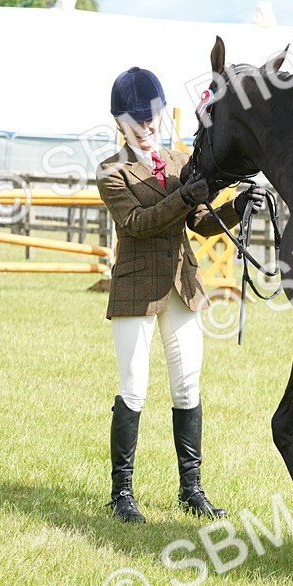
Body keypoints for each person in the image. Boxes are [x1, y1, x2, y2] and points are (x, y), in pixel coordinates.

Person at [96, 66, 265, 523]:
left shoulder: (177, 161)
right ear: (120, 123)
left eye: (152, 117)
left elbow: (199, 221)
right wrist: (184, 199)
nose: (148, 126)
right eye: (138, 119)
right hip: (137, 286)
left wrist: (231, 206)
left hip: (182, 285)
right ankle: (122, 493)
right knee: (134, 387)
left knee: (188, 383)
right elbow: (139, 224)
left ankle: (191, 489)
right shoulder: (112, 172)